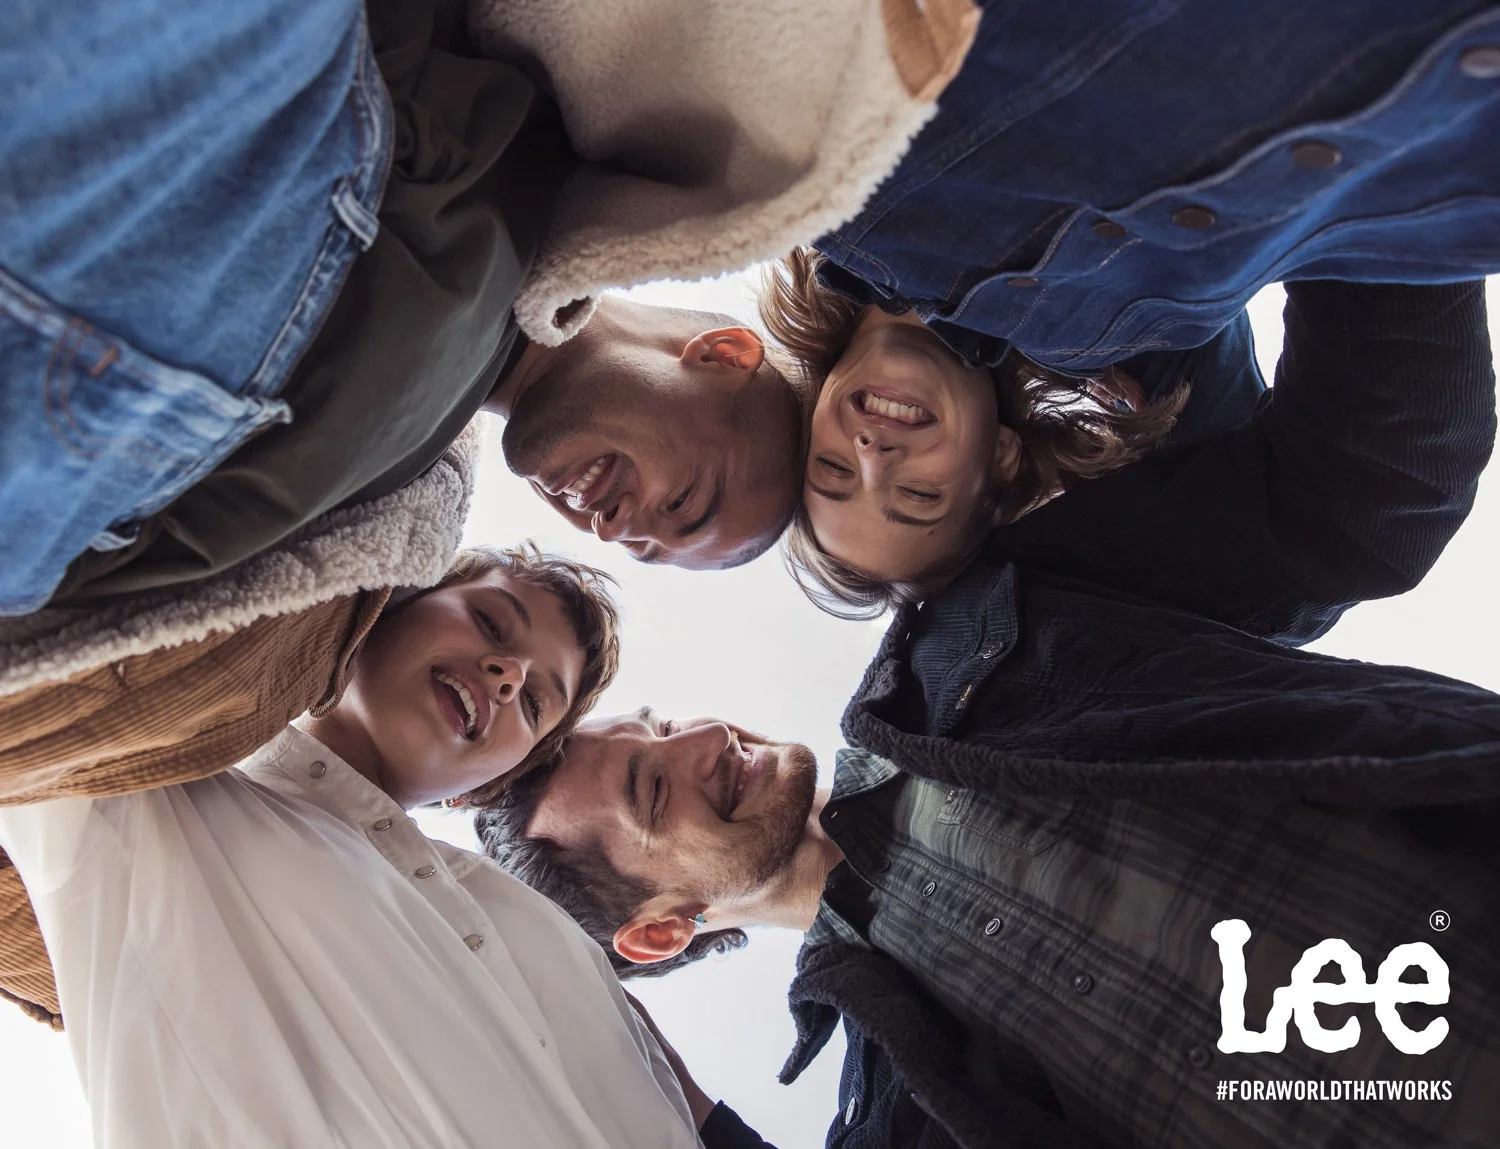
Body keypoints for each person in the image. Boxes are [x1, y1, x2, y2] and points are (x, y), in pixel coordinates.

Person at [0, 0, 974, 613]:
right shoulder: (539, 183)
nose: (619, 528)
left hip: (81, 457)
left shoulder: (403, 484)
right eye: (686, 503)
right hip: (228, 174)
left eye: (642, 548)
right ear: (719, 351)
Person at [0, 544, 706, 1147]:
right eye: (490, 621)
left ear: (489, 783)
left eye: (533, 704)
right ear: (393, 596)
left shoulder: (541, 935)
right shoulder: (162, 793)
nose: (508, 673)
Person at [772, 267, 1494, 647]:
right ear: (999, 453)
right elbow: (1365, 506)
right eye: (917, 496)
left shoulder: (840, 220)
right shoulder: (1100, 334)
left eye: (832, 469)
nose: (872, 455)